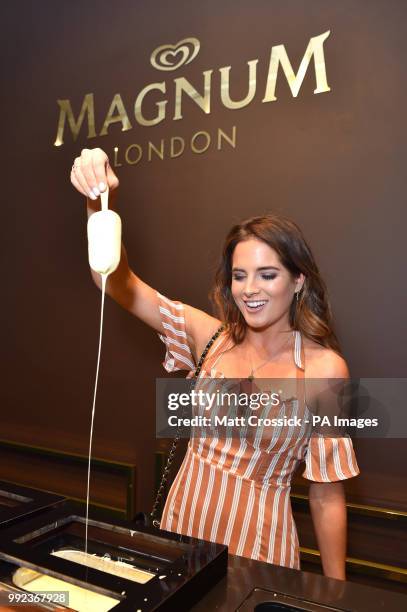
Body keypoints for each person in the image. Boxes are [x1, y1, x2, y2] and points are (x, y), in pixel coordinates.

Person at [71, 148, 360, 580]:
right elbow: (112, 279)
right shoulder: (209, 339)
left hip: (258, 550)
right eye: (239, 275)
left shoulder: (325, 370)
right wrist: (97, 201)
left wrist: (339, 594)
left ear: (298, 281)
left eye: (268, 274)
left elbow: (326, 494)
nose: (249, 289)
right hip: (182, 529)